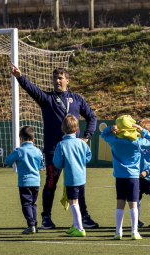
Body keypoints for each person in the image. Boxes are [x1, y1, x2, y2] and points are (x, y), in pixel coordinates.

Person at [11, 63, 98, 229]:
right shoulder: (47, 99)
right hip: (53, 150)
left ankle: (84, 217)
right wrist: (20, 77)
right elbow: (32, 89)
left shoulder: (77, 99)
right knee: (51, 183)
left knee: (79, 184)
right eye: (55, 78)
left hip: (74, 151)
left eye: (60, 78)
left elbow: (92, 118)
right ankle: (46, 218)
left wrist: (86, 138)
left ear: (67, 81)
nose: (57, 81)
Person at [101, 115, 150, 240]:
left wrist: (110, 128)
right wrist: (142, 130)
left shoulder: (114, 140)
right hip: (133, 177)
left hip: (119, 177)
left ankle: (118, 231)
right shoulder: (137, 142)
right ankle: (134, 232)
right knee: (133, 204)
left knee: (120, 203)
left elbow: (103, 135)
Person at [53, 115, 92, 237]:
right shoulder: (82, 143)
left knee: (73, 202)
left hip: (71, 178)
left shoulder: (61, 144)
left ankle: (80, 228)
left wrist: (66, 163)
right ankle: (75, 225)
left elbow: (57, 162)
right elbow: (88, 157)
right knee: (77, 201)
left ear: (63, 129)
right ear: (77, 129)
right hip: (82, 177)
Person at [5, 126, 44, 234]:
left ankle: (31, 225)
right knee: (33, 204)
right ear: (33, 139)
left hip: (24, 182)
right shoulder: (37, 151)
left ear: (20, 138)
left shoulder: (19, 151)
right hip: (36, 182)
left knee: (26, 204)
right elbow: (41, 165)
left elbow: (7, 161)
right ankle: (34, 225)